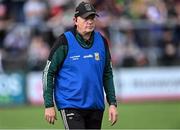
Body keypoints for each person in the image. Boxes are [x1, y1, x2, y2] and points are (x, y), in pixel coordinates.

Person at [43, 1, 118, 129]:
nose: (89, 21)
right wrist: (49, 105)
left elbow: (107, 73)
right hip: (70, 104)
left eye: (92, 18)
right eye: (85, 18)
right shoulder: (64, 41)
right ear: (75, 20)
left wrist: (112, 103)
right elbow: (48, 73)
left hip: (95, 106)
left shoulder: (102, 41)